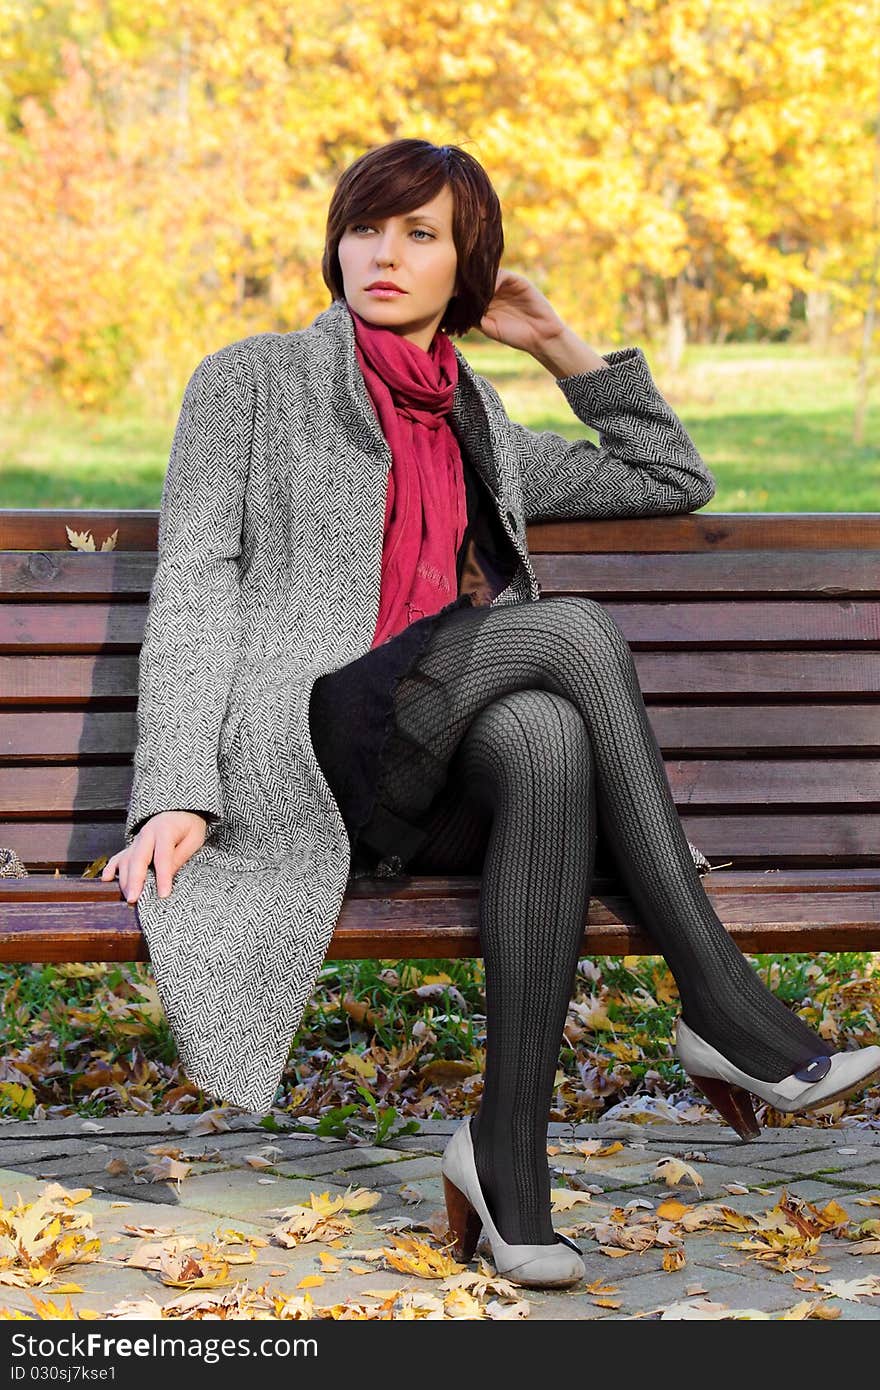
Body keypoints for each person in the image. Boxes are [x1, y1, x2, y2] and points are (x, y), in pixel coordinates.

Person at [102, 138, 880, 1292]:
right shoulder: (248, 381)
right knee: (568, 631)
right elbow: (196, 582)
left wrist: (559, 345)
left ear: (466, 267)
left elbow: (669, 479)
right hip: (304, 746)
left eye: (423, 234)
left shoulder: (478, 423)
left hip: (419, 774)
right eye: (369, 226)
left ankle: (506, 1159)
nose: (385, 252)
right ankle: (719, 998)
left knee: (544, 738)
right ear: (337, 242)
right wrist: (176, 788)